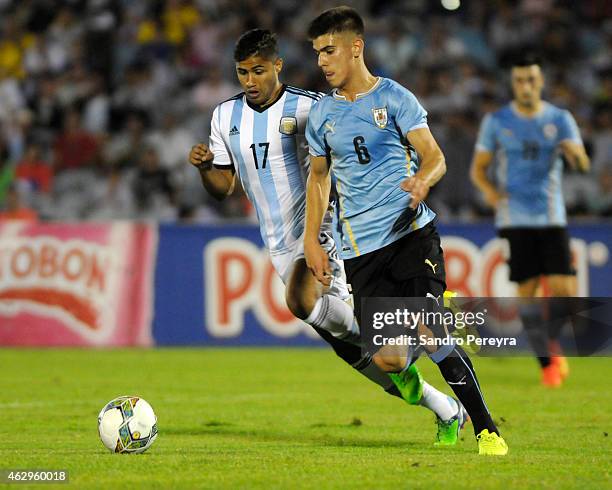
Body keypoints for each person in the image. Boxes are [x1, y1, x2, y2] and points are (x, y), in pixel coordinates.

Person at [188, 28, 467, 445]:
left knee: (301, 302)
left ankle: (402, 341)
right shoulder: (224, 117)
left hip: (325, 233)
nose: (250, 80)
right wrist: (206, 167)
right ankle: (437, 402)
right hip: (278, 244)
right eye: (242, 72)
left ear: (277, 66)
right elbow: (224, 186)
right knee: (352, 346)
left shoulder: (310, 107)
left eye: (258, 70)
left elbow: (343, 163)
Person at [303, 7, 507, 455]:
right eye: (317, 52)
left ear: (356, 47)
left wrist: (423, 180)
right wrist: (311, 242)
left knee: (433, 332)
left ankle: (487, 429)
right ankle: (446, 404)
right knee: (390, 359)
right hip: (362, 251)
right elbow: (319, 179)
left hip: (411, 235)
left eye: (329, 50)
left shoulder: (394, 98)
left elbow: (434, 156)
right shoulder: (321, 116)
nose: (321, 61)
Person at [471, 54, 590, 388]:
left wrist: (576, 155)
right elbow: (478, 169)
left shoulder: (560, 118)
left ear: (541, 82)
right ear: (514, 84)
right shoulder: (497, 121)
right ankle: (546, 363)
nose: (526, 86)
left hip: (551, 216)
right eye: (520, 80)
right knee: (527, 292)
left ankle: (550, 342)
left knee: (566, 294)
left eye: (532, 80)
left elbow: (582, 164)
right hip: (516, 219)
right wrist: (491, 194)